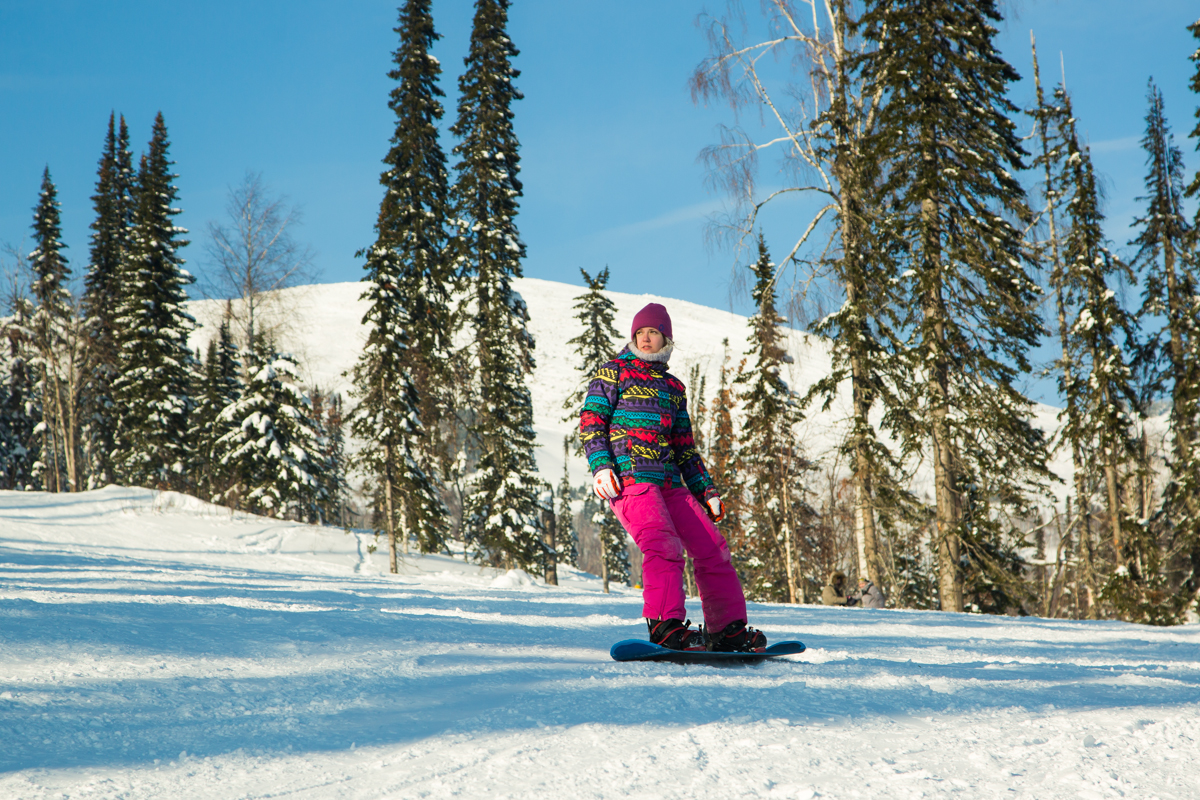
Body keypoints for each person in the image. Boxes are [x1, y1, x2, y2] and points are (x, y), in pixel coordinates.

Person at [580, 302, 767, 652]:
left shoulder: (673, 388)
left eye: (653, 332)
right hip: (631, 478)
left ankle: (727, 630)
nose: (646, 338)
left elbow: (684, 449)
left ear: (665, 337)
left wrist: (706, 491)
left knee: (713, 548)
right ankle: (665, 626)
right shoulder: (613, 373)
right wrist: (601, 465)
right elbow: (592, 420)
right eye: (640, 333)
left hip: (670, 482)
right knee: (663, 546)